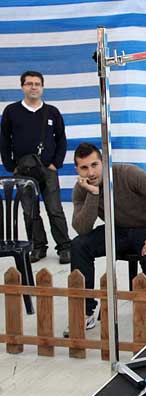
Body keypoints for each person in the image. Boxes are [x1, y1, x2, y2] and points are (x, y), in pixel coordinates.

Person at [66, 142, 146, 335]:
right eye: (84, 167)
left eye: (94, 165)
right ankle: (85, 311)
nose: (90, 172)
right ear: (77, 169)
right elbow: (82, 229)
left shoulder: (127, 173)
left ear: (104, 162)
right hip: (117, 230)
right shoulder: (81, 188)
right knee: (78, 245)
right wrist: (93, 194)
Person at [0, 71, 71, 263]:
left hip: (48, 170)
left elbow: (62, 139)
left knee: (55, 209)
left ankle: (65, 247)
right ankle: (37, 247)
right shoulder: (11, 111)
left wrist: (55, 164)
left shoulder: (52, 112)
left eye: (37, 84)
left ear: (42, 87)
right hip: (22, 171)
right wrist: (10, 166)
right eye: (29, 83)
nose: (33, 87)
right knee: (29, 211)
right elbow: (4, 141)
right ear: (22, 86)